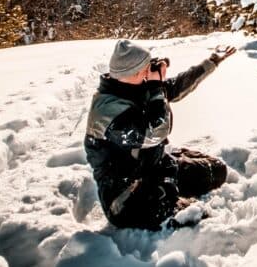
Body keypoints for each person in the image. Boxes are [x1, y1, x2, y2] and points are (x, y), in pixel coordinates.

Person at [84, 39, 237, 230]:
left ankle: (171, 180)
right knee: (199, 221)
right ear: (137, 71)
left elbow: (176, 86)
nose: (151, 70)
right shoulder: (107, 113)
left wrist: (212, 61)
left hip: (154, 167)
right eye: (148, 67)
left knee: (217, 170)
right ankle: (171, 201)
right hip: (127, 197)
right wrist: (156, 86)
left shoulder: (132, 86)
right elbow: (156, 132)